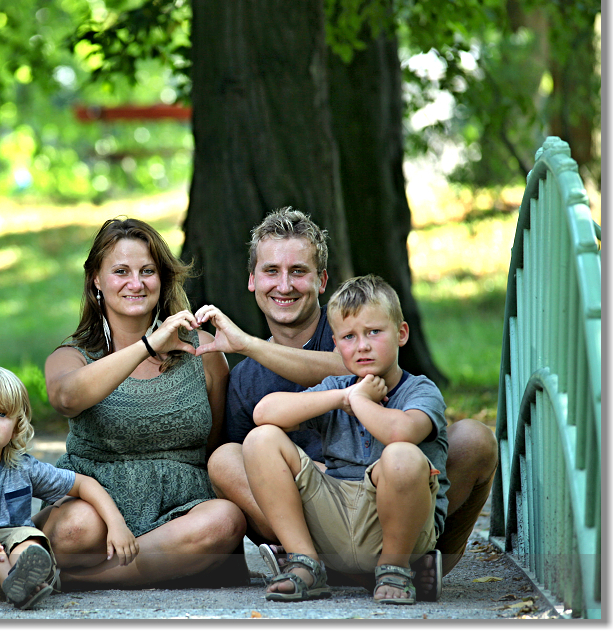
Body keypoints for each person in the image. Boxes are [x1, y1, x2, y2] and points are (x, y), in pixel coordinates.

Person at [194, 207, 498, 600]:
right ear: (252, 280)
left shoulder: (351, 329)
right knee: (228, 459)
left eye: (298, 271)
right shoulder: (248, 379)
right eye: (271, 271)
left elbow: (352, 372)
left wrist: (247, 343)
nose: (284, 285)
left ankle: (421, 562)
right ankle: (314, 561)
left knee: (472, 438)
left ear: (321, 280)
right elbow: (261, 435)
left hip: (395, 497)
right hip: (323, 511)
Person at [33, 217, 245, 589]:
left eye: (147, 271)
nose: (136, 283)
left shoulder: (203, 352)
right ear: (96, 280)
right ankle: (165, 566)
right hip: (96, 505)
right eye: (121, 271)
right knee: (72, 532)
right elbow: (66, 398)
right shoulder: (73, 356)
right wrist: (147, 346)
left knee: (225, 521)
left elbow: (213, 443)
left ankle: (81, 580)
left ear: (161, 279)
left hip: (183, 509)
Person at [243, 274, 448, 604]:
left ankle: (395, 570)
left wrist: (361, 402)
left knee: (402, 457)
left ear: (402, 333)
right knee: (260, 440)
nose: (362, 345)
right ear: (336, 345)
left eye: (374, 332)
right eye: (349, 337)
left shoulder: (420, 390)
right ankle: (305, 564)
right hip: (334, 519)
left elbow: (401, 433)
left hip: (397, 533)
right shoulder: (339, 388)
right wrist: (343, 396)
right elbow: (265, 412)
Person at [0, 365, 137, 610]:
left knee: (28, 538)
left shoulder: (22, 467)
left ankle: (21, 584)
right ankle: (16, 583)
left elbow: (84, 484)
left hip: (0, 578)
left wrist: (117, 523)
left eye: (2, 415)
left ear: (15, 427)